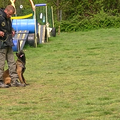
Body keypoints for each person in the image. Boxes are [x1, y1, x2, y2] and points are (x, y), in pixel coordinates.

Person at [0, 5, 25, 88]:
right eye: (9, 14)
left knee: (12, 63)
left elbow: (9, 27)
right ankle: (0, 81)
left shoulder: (8, 18)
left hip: (8, 42)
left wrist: (13, 30)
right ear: (6, 11)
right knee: (1, 63)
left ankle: (14, 80)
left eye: (11, 15)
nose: (10, 16)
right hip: (1, 44)